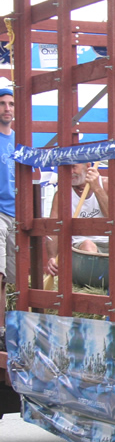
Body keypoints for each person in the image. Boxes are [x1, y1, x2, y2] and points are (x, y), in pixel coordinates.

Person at [0, 86, 15, 309]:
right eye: (2, 103)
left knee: (15, 279)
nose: (7, 108)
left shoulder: (21, 140)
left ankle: (10, 329)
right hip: (0, 213)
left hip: (18, 214)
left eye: (11, 104)